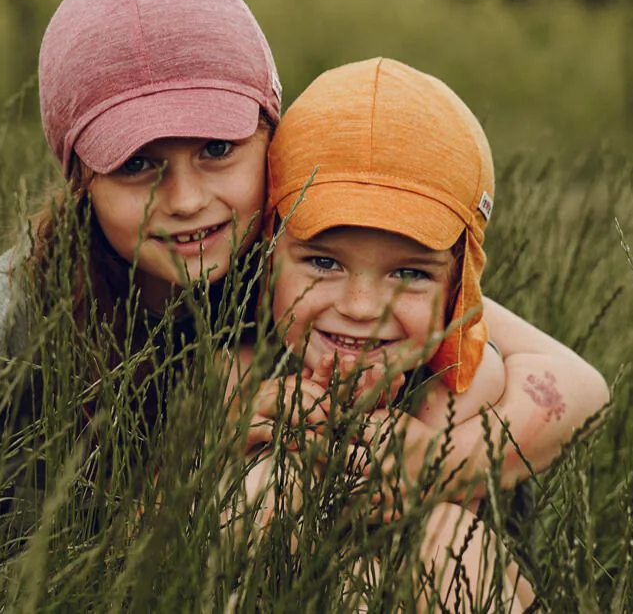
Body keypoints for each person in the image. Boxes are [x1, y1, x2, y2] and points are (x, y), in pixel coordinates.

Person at [0, 0, 607, 539]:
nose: (188, 200)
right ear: (79, 179)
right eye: (138, 166)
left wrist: (452, 457)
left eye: (217, 150)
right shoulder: (14, 311)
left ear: (270, 140)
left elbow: (572, 379)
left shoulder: (309, 262)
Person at [232, 57, 578, 612]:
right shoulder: (241, 368)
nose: (362, 307)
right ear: (271, 252)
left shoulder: (463, 387)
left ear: (458, 285)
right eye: (323, 261)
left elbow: (583, 391)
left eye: (409, 273)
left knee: (442, 541)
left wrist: (439, 460)